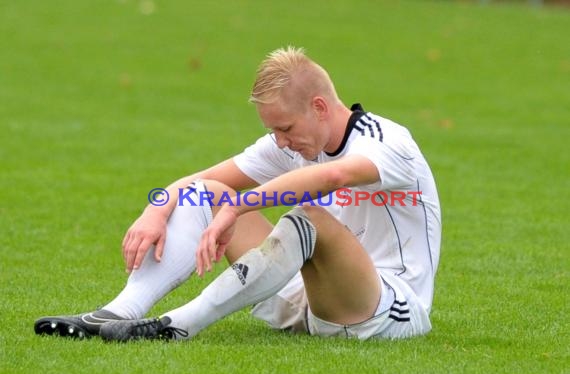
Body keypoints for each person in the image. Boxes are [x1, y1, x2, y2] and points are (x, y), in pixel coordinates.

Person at [34, 46, 441, 341]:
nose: (280, 142)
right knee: (207, 194)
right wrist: (155, 209)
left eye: (285, 128)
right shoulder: (290, 143)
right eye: (272, 131)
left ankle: (175, 327)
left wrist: (243, 204)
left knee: (311, 219)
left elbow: (333, 177)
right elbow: (201, 180)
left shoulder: (388, 142)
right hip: (306, 302)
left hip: (386, 312)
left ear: (320, 107)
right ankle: (115, 313)